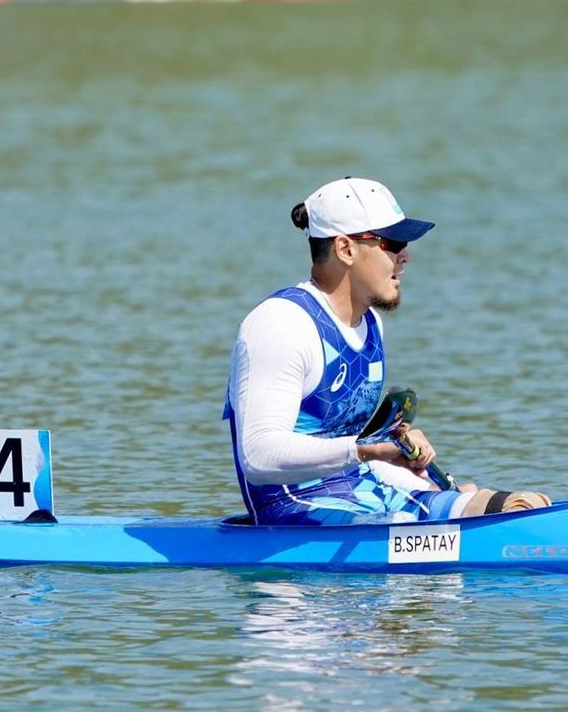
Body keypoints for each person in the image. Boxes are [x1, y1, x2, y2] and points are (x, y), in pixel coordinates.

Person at [224, 177, 549, 526]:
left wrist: (396, 456)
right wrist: (365, 449)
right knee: (485, 519)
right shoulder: (281, 324)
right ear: (346, 249)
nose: (405, 256)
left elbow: (346, 445)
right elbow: (258, 457)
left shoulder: (371, 324)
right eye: (392, 243)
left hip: (360, 490)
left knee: (524, 505)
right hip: (293, 511)